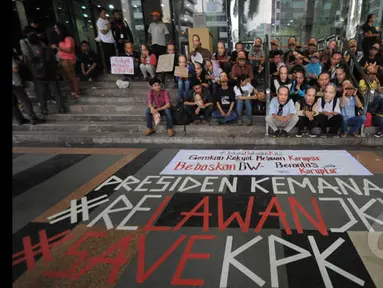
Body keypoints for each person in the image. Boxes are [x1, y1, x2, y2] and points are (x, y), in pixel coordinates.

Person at [20, 26, 66, 115]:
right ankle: (61, 108)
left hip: (38, 73)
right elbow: (52, 59)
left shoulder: (30, 49)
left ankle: (44, 109)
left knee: (41, 92)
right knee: (55, 90)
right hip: (50, 71)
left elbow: (28, 57)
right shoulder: (45, 47)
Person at [12, 55, 44, 125]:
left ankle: (20, 120)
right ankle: (33, 118)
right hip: (15, 83)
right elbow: (15, 69)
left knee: (13, 103)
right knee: (25, 101)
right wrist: (18, 64)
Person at [50, 23, 80, 98]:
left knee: (72, 77)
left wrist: (57, 46)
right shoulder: (61, 38)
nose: (56, 29)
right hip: (62, 59)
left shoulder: (68, 38)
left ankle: (76, 91)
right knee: (66, 78)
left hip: (68, 60)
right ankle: (73, 91)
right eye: (55, 28)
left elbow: (69, 50)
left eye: (57, 28)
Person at [96, 7, 116, 73]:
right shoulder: (99, 22)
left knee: (113, 56)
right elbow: (103, 32)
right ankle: (109, 71)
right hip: (105, 41)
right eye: (103, 13)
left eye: (105, 13)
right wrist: (109, 26)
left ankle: (114, 69)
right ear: (100, 14)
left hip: (111, 40)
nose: (105, 14)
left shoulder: (106, 20)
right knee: (108, 57)